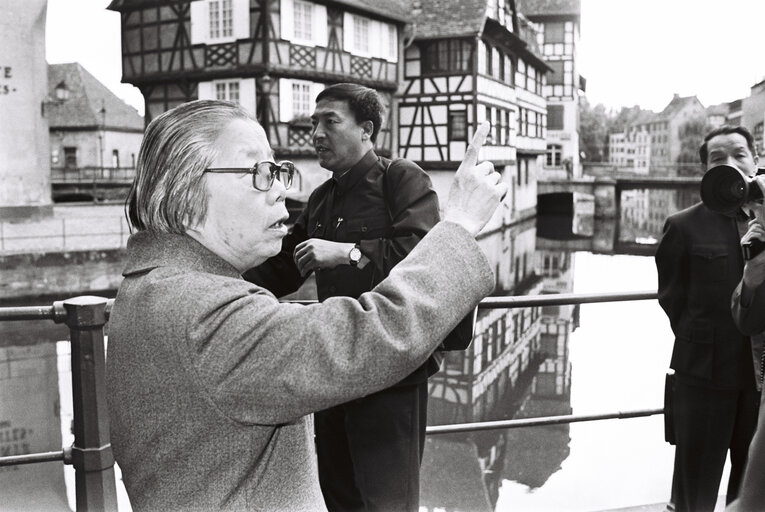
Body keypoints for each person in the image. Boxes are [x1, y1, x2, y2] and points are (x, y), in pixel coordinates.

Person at [105, 98, 506, 512]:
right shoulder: (202, 310)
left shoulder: (155, 287)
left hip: (383, 386)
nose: (282, 187)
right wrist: (457, 225)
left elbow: (408, 251)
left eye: (277, 170)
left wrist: (349, 253)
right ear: (185, 189)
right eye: (259, 172)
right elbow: (366, 331)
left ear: (366, 130)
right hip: (344, 369)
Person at [243, 83, 440, 512]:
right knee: (338, 496)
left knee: (387, 502)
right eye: (314, 122)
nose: (316, 133)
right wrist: (218, 285)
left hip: (393, 374)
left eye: (330, 121)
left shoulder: (401, 179)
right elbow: (281, 268)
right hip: (334, 373)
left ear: (366, 129)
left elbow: (424, 261)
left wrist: (349, 254)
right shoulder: (320, 198)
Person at [655, 125, 762, 512]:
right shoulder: (683, 225)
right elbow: (672, 299)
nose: (731, 163)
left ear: (756, 159)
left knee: (751, 487)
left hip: (760, 379)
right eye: (718, 159)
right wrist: (702, 341)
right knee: (693, 489)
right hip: (703, 376)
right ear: (706, 171)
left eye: (739, 154)